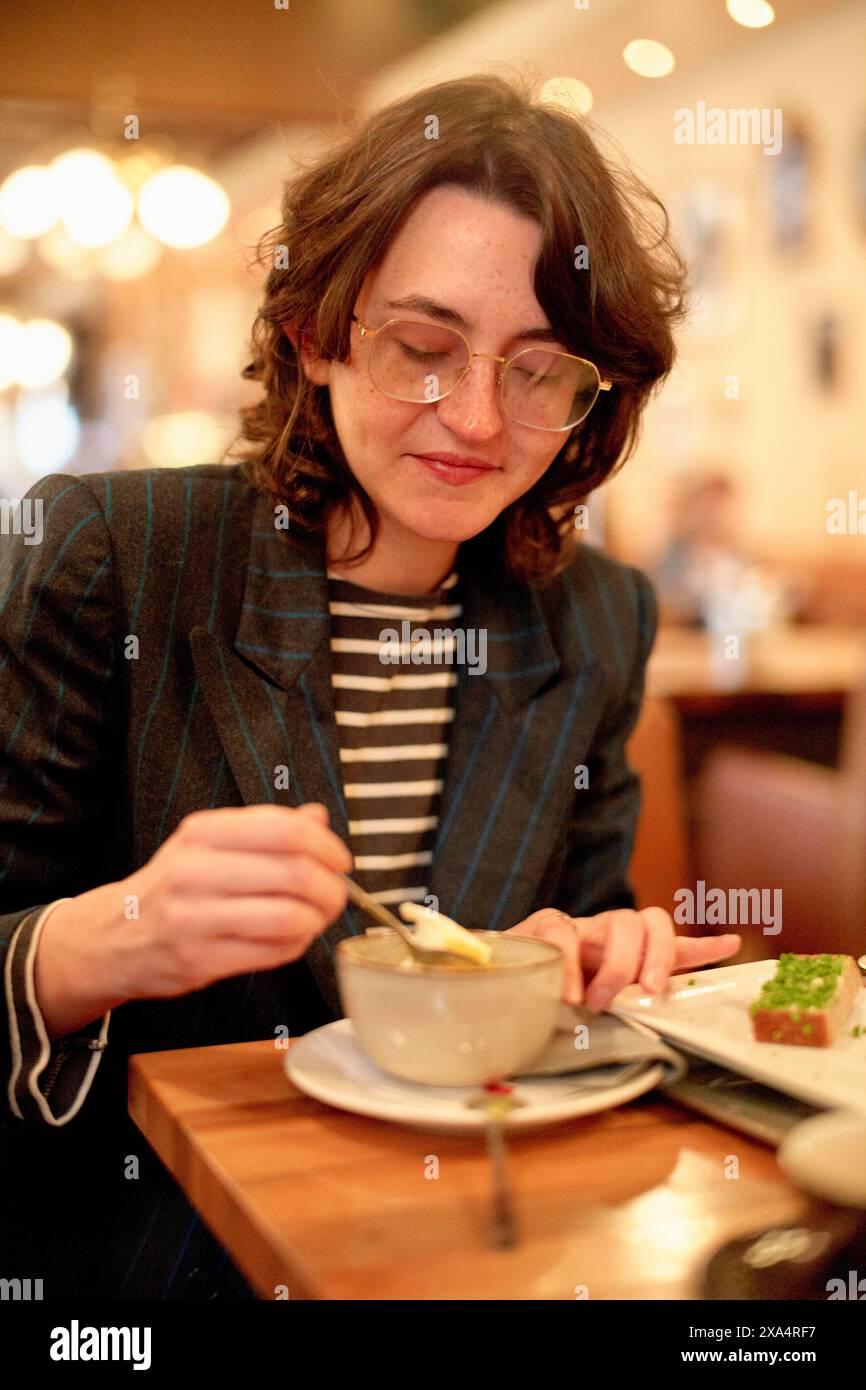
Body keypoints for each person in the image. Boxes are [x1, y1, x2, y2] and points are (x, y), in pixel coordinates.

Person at [0, 72, 741, 1300]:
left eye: (541, 370)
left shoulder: (599, 619)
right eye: (422, 346)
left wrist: (590, 965)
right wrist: (110, 934)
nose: (476, 417)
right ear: (313, 329)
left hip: (483, 1251)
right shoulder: (110, 558)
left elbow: (573, 975)